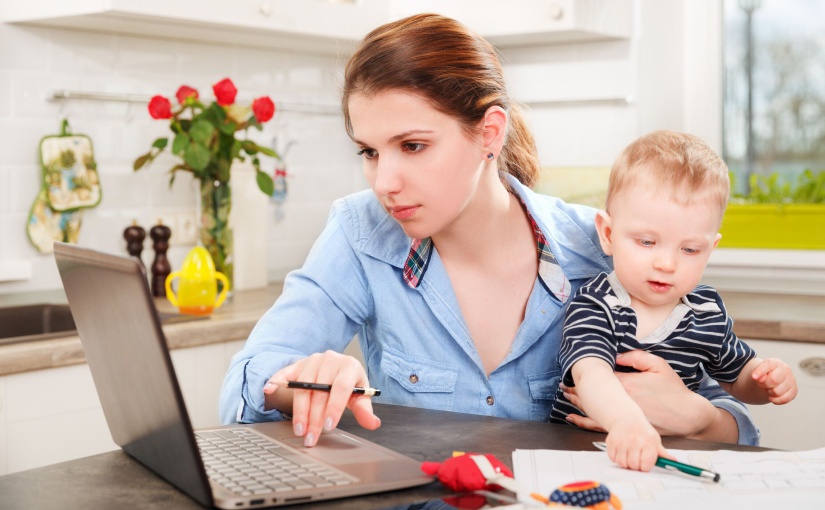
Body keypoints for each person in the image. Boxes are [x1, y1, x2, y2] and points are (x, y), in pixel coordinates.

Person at [219, 13, 759, 449]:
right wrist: (299, 381)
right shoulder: (361, 233)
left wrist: (698, 419)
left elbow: (735, 418)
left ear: (489, 133)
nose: (385, 181)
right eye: (369, 151)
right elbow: (244, 383)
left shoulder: (601, 249)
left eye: (412, 146)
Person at [549, 130, 798, 471]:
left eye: (689, 249)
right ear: (608, 234)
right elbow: (591, 373)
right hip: (583, 459)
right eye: (647, 242)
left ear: (710, 249)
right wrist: (626, 422)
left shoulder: (706, 310)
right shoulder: (597, 303)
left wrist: (764, 377)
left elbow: (736, 377)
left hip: (672, 464)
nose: (667, 264)